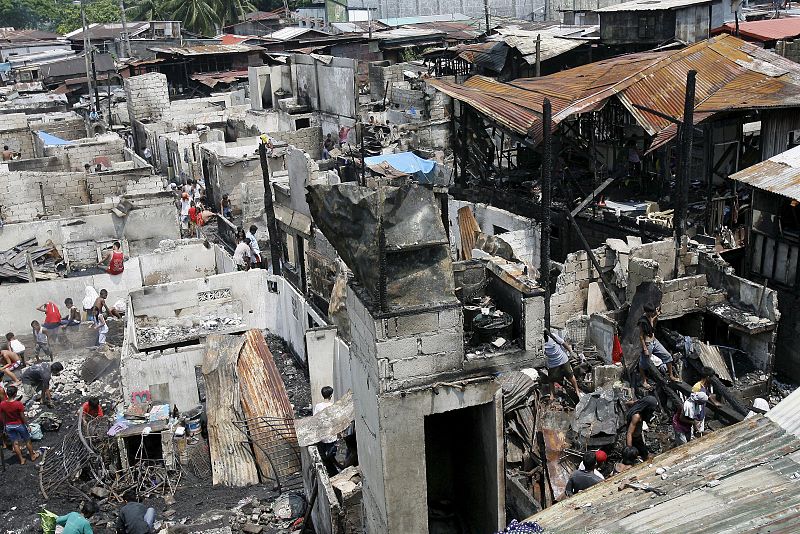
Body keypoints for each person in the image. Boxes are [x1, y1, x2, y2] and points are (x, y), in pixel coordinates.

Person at [638, 304, 678, 388]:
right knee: (643, 364)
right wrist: (645, 348)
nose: (653, 313)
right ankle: (644, 381)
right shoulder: (642, 321)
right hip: (647, 343)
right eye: (651, 312)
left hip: (654, 341)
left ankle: (671, 376)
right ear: (647, 312)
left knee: (667, 356)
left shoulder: (651, 317)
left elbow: (653, 327)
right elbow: (641, 336)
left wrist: (656, 315)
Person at [0, 385, 40, 464]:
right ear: (15, 394)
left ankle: (21, 460)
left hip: (9, 426)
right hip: (19, 424)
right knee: (27, 440)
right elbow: (22, 416)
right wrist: (27, 425)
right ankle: (32, 456)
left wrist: (5, 425)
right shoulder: (18, 404)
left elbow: (3, 416)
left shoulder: (2, 404)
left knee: (15, 443)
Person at [544, 330, 582, 399]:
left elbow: (563, 343)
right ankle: (552, 395)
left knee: (570, 375)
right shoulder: (541, 343)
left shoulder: (553, 336)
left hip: (563, 359)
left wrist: (571, 352)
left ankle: (577, 390)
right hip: (553, 363)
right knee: (551, 379)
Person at [626, 396, 658, 461]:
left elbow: (629, 403)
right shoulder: (636, 416)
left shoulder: (638, 404)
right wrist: (630, 449)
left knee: (643, 451)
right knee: (643, 454)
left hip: (638, 436)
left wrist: (626, 403)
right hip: (635, 439)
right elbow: (629, 433)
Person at [314, 386, 337, 473]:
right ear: (331, 395)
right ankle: (333, 472)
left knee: (323, 455)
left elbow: (315, 419)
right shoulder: (333, 406)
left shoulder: (318, 406)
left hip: (322, 435)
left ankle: (328, 471)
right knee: (331, 455)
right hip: (331, 434)